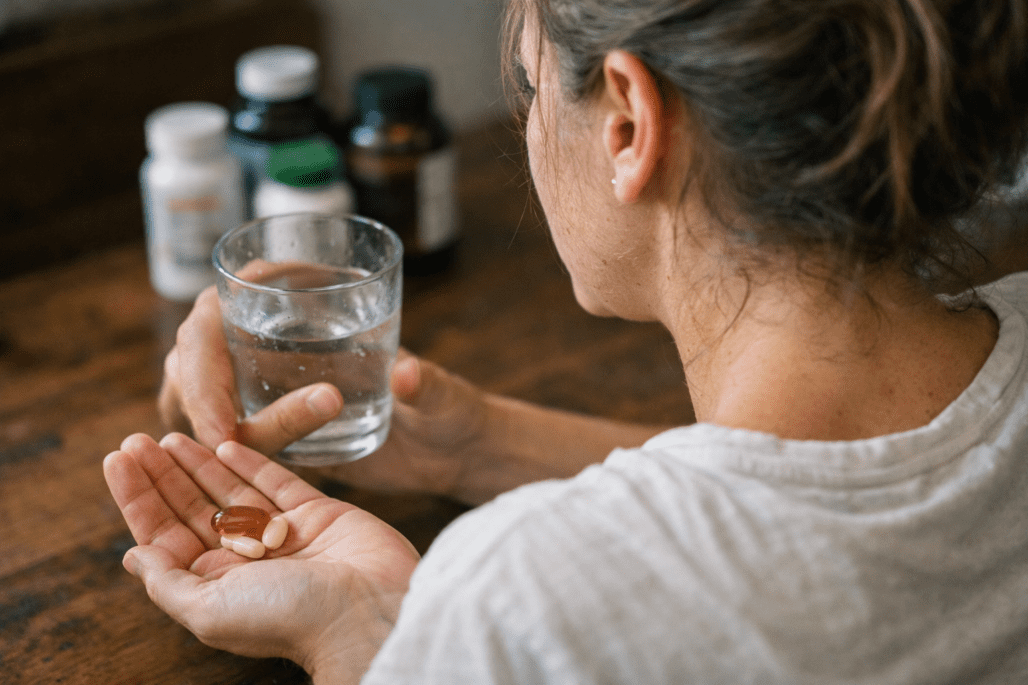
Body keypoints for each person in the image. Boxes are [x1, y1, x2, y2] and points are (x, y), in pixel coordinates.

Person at [103, 0, 1028, 682]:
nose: (529, 126)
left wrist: (357, 638)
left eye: (528, 87)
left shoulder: (527, 605)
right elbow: (816, 503)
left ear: (628, 122)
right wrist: (484, 441)